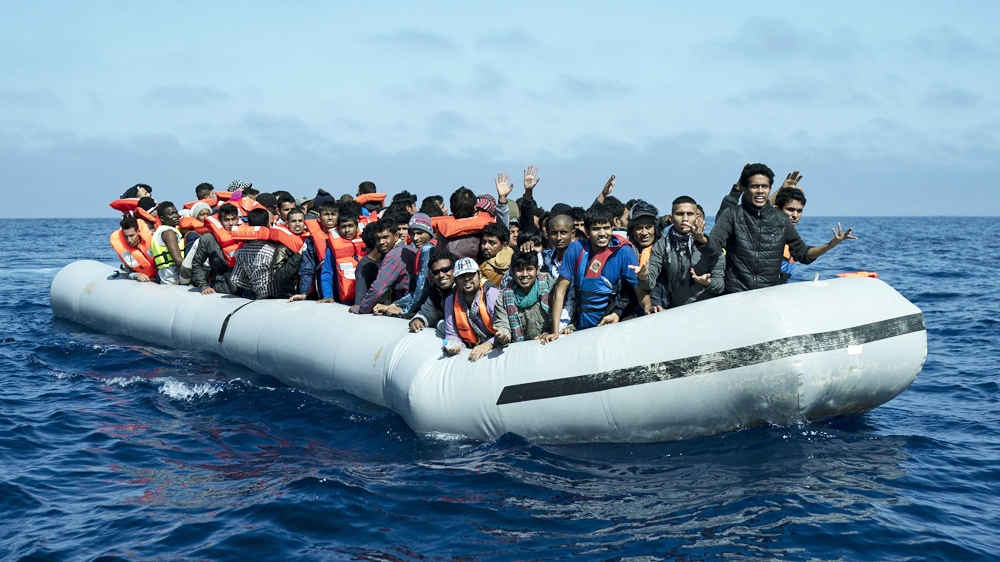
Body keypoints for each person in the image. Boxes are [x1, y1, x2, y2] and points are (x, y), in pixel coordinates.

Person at [703, 163, 856, 293]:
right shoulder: (732, 214)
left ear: (770, 189)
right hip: (736, 292)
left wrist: (831, 245)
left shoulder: (781, 220)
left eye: (765, 186)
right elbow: (714, 244)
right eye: (755, 186)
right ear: (746, 188)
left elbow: (803, 253)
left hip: (769, 293)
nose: (760, 190)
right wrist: (699, 237)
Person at [548, 204, 639, 340]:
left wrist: (648, 306)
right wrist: (555, 332)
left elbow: (638, 292)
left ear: (613, 227)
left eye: (606, 228)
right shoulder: (576, 248)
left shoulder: (624, 251)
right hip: (583, 326)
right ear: (586, 230)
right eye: (596, 229)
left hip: (614, 324)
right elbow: (560, 291)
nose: (602, 233)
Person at [638, 196, 725, 311]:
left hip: (709, 309)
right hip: (677, 312)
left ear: (697, 217)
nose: (685, 219)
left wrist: (707, 282)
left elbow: (720, 286)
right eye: (679, 214)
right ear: (671, 218)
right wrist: (643, 277)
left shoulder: (710, 245)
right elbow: (649, 284)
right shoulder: (662, 245)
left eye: (689, 214)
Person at [353, 213, 435, 316]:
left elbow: (378, 289)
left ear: (396, 236)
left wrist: (361, 309)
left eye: (385, 237)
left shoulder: (394, 256)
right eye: (378, 239)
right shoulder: (410, 249)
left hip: (410, 309)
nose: (381, 242)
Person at [494, 250, 565, 345]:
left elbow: (565, 317)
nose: (524, 274)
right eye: (519, 270)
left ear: (538, 270)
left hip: (549, 345)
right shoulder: (503, 299)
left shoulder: (552, 290)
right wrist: (504, 336)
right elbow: (503, 325)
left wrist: (553, 331)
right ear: (512, 270)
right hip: (523, 352)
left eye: (529, 269)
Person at [443, 257, 501, 362]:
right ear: (455, 280)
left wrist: (488, 344)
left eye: (471, 274)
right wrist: (454, 346)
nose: (467, 279)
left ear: (480, 275)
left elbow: (505, 330)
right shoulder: (450, 302)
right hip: (470, 346)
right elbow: (451, 335)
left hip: (495, 347)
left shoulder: (491, 295)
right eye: (461, 276)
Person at [319, 203, 366, 304]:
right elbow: (327, 274)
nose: (347, 230)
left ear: (357, 227)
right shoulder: (331, 251)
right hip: (343, 302)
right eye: (343, 227)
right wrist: (328, 296)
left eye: (350, 226)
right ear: (338, 229)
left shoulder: (368, 245)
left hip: (366, 300)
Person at [230, 209, 280, 299]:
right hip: (276, 297)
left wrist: (254, 286)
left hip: (258, 297)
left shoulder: (242, 251)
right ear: (268, 224)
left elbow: (235, 279)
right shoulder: (273, 250)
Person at [192, 203, 241, 295]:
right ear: (220, 221)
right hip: (221, 287)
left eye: (233, 219)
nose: (230, 223)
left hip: (244, 288)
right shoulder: (208, 239)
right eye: (226, 220)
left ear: (237, 219)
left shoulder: (245, 237)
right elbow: (196, 263)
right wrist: (203, 285)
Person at [540, 214, 577, 331]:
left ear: (573, 233)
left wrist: (565, 326)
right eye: (554, 233)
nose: (559, 237)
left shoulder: (582, 259)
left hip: (576, 323)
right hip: (549, 324)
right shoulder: (542, 258)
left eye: (564, 232)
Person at [298, 200, 340, 299]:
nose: (330, 217)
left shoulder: (346, 235)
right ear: (319, 218)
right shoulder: (311, 241)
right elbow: (306, 268)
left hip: (345, 284)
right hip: (324, 286)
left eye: (333, 214)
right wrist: (304, 292)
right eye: (326, 214)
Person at [409, 249, 457, 333]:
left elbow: (455, 327)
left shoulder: (463, 290)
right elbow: (426, 313)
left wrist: (438, 323)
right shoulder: (435, 292)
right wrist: (418, 320)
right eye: (436, 272)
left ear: (454, 270)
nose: (441, 275)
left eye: (445, 270)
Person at [353, 219, 398, 305]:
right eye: (379, 238)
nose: (383, 242)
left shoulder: (387, 259)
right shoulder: (364, 267)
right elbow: (360, 301)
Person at [774, 187, 807, 283]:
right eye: (790, 210)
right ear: (777, 209)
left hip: (782, 287)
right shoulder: (766, 233)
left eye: (799, 211)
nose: (795, 215)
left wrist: (832, 244)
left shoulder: (794, 237)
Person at [110, 214, 156, 282]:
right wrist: (137, 275)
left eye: (132, 236)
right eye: (126, 236)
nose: (129, 240)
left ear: (138, 232)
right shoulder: (125, 252)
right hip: (148, 281)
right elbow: (129, 272)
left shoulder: (153, 240)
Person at [150, 201, 185, 285]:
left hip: (165, 278)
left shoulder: (159, 231)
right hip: (173, 279)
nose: (176, 216)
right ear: (162, 218)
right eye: (171, 214)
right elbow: (178, 261)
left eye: (176, 212)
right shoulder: (169, 233)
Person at [479, 222, 512, 287]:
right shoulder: (512, 254)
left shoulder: (487, 270)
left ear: (504, 245)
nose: (486, 246)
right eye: (483, 242)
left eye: (492, 243)